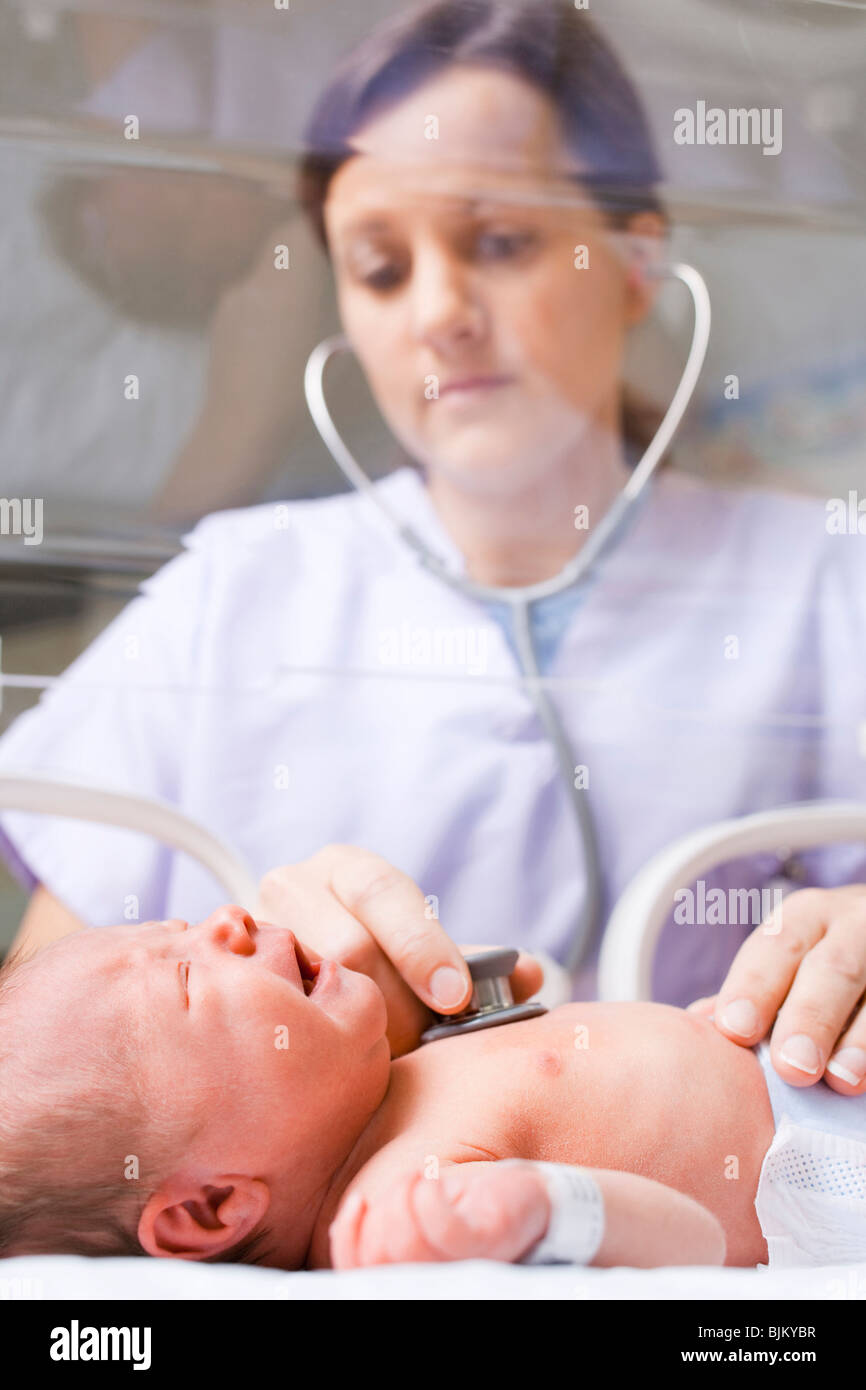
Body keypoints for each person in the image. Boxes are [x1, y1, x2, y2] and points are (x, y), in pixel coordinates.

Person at [1, 0, 865, 1093]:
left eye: (498, 241)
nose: (440, 312)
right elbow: (33, 1084)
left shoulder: (824, 579)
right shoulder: (229, 596)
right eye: (378, 266)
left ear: (637, 262)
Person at [1, 903, 864, 1269]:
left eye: (181, 925)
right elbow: (695, 1254)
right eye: (185, 982)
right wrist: (552, 1209)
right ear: (211, 1209)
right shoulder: (399, 1217)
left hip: (811, 1057)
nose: (225, 922)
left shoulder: (391, 1085)